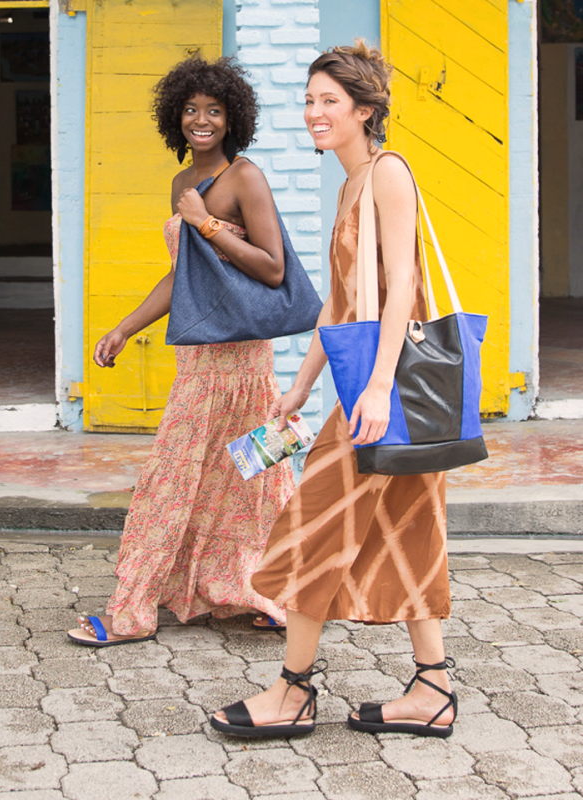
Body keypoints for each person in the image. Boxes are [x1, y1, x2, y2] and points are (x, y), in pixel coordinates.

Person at [211, 41, 457, 738]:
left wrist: (376, 390)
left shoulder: (387, 174)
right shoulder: (350, 185)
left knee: (310, 527)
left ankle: (292, 691)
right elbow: (341, 304)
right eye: (311, 101)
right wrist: (300, 385)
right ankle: (431, 689)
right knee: (411, 533)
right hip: (368, 389)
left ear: (365, 111)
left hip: (388, 394)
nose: (315, 113)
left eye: (330, 101)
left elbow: (402, 287)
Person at [68, 56, 295, 646]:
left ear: (232, 119)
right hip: (198, 357)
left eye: (213, 111)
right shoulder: (180, 184)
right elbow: (183, 277)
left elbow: (274, 270)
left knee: (251, 477)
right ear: (176, 118)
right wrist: (125, 327)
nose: (201, 120)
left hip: (245, 360)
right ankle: (202, 597)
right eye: (191, 110)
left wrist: (206, 223)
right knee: (193, 476)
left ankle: (223, 597)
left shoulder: (245, 178)